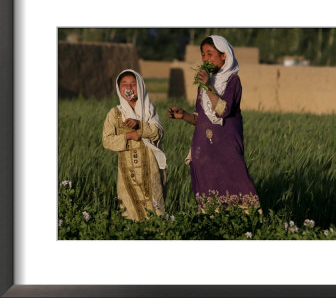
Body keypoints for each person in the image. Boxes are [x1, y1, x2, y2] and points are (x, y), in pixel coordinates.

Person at [168, 35, 260, 208]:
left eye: (210, 53)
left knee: (236, 189)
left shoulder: (232, 81)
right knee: (208, 197)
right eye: (203, 54)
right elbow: (199, 118)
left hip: (225, 147)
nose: (205, 59)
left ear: (224, 55)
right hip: (203, 150)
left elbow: (223, 110)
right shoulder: (204, 84)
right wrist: (184, 115)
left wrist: (208, 86)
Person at [103, 69, 166, 221]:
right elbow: (107, 141)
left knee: (155, 210)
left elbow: (158, 132)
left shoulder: (149, 110)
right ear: (119, 88)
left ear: (141, 86)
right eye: (124, 84)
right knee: (130, 211)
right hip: (126, 173)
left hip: (150, 170)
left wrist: (140, 126)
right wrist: (128, 136)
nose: (129, 87)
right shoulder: (114, 113)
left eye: (133, 83)